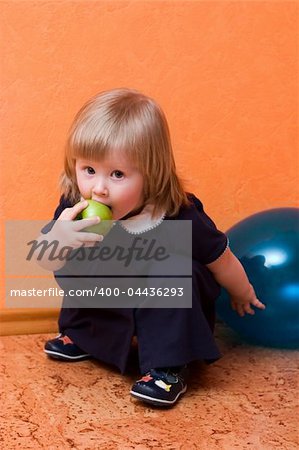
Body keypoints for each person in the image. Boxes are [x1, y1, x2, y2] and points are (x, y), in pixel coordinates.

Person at [37, 88, 265, 407]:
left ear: (151, 174)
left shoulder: (178, 215)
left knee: (172, 271)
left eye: (117, 174)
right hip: (114, 292)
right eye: (89, 170)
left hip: (164, 301)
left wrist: (243, 292)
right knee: (82, 255)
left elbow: (221, 258)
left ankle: (167, 366)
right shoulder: (76, 207)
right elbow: (48, 260)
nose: (98, 188)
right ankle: (87, 334)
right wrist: (59, 239)